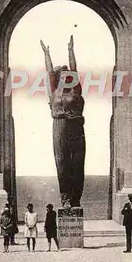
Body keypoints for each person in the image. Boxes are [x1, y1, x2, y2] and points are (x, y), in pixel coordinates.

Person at [40, 35, 85, 208]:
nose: (67, 78)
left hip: (76, 126)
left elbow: (74, 68)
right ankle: (65, 198)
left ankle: (76, 199)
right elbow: (49, 71)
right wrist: (47, 54)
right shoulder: (54, 91)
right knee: (61, 162)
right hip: (59, 126)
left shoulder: (76, 89)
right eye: (64, 76)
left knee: (78, 163)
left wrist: (70, 50)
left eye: (69, 76)